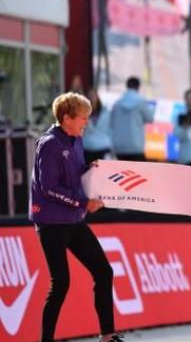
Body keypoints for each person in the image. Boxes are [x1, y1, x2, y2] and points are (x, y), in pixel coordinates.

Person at [28, 92, 123, 342]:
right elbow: (48, 187)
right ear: (66, 118)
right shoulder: (49, 144)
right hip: (51, 222)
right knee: (61, 283)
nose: (86, 122)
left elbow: (74, 172)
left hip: (72, 219)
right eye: (82, 118)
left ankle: (107, 336)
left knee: (103, 272)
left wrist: (90, 171)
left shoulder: (76, 139)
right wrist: (84, 202)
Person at [110, 76, 153, 161]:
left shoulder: (117, 103)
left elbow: (111, 123)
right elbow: (150, 118)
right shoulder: (141, 101)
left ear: (127, 86)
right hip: (136, 146)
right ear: (138, 87)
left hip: (120, 147)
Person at [82, 88, 112, 165]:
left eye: (93, 96)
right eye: (89, 97)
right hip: (88, 148)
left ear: (97, 97)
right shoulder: (82, 114)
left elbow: (112, 128)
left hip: (104, 148)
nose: (92, 99)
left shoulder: (106, 112)